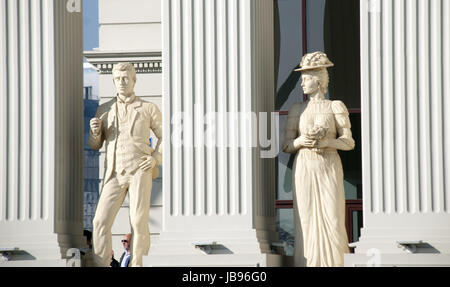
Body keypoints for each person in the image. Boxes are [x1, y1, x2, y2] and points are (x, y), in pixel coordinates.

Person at [282, 52, 355, 267]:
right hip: (304, 166)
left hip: (329, 165)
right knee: (305, 219)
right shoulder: (297, 109)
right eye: (302, 79)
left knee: (333, 217)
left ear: (319, 79)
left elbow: (348, 142)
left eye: (306, 79)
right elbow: (287, 146)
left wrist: (327, 143)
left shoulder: (335, 106)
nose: (302, 84)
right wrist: (302, 141)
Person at [89, 63, 163, 267]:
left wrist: (156, 158)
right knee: (99, 221)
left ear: (133, 80)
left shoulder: (148, 107)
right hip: (114, 172)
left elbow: (165, 136)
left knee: (138, 221)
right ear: (113, 80)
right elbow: (95, 146)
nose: (121, 82)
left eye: (125, 78)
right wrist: (95, 132)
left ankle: (138, 264)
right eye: (118, 78)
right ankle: (100, 263)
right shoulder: (104, 109)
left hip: (140, 169)